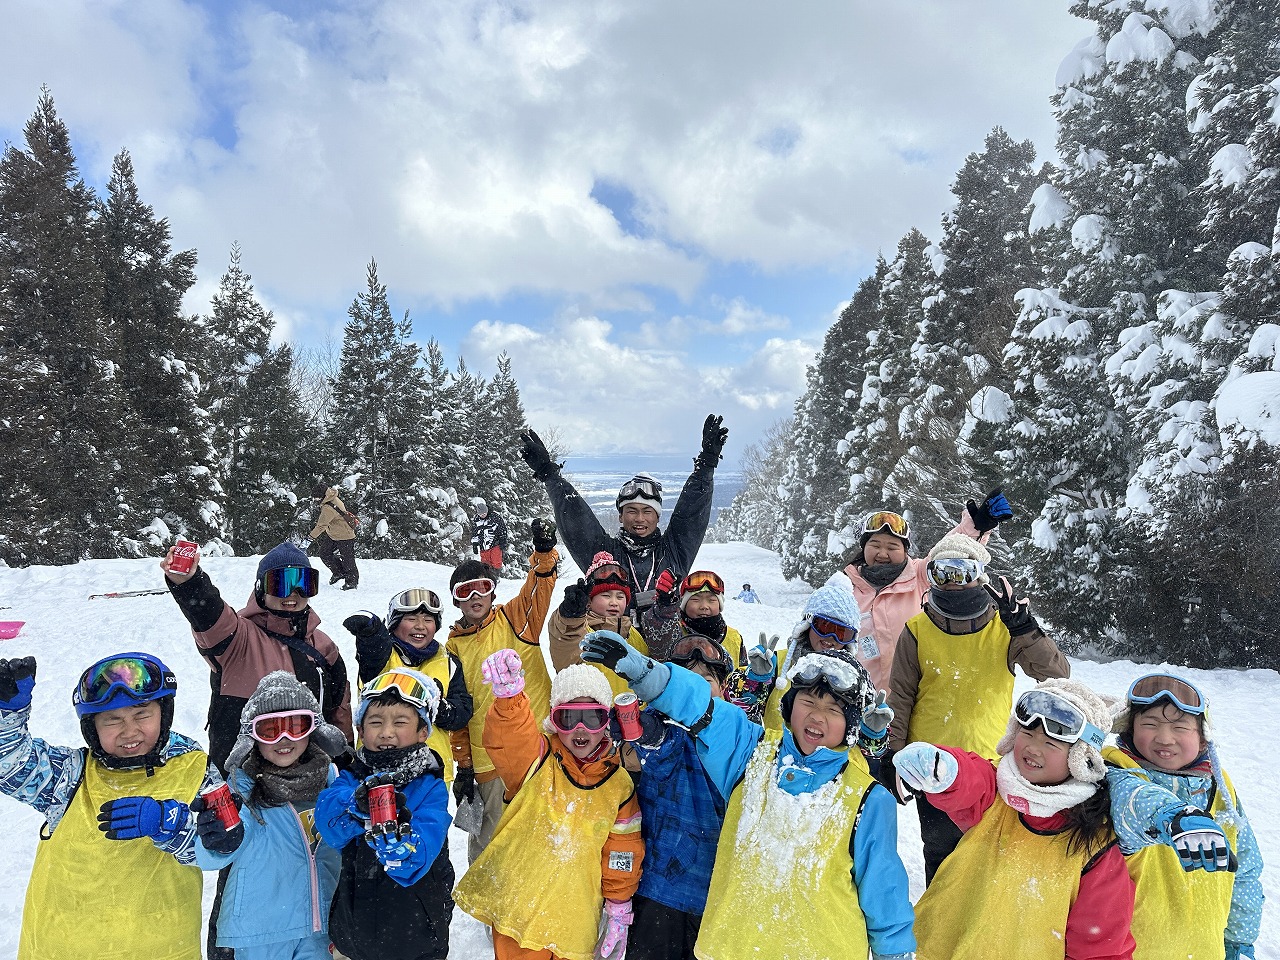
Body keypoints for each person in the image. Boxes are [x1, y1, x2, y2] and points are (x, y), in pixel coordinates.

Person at [581, 634, 915, 960]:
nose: (817, 716)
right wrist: (645, 673)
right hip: (732, 949)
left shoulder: (868, 800)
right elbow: (701, 707)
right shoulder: (750, 753)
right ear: (789, 705)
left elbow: (885, 895)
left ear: (852, 723)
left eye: (833, 710)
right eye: (808, 702)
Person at [895, 679, 1136, 959]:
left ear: (1080, 759)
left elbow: (1100, 946)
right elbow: (969, 778)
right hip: (940, 947)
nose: (1033, 748)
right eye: (1028, 733)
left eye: (1051, 743)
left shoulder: (1096, 847)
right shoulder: (997, 792)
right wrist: (946, 768)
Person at [0, 653, 219, 959]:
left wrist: (172, 827)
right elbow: (9, 764)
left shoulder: (196, 772)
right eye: (112, 720)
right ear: (92, 727)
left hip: (162, 950)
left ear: (163, 713)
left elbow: (221, 848)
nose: (129, 731)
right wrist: (6, 719)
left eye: (141, 714)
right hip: (60, 950)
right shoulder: (69, 776)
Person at [886, 533, 1069, 883]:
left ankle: (979, 913)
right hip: (932, 763)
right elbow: (901, 697)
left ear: (980, 575)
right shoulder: (916, 630)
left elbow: (1056, 674)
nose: (953, 582)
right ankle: (940, 915)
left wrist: (1025, 629)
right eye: (942, 572)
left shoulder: (1006, 628)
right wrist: (892, 754)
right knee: (940, 852)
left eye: (963, 571)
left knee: (987, 854)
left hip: (990, 765)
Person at [453, 654, 645, 960]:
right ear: (553, 721)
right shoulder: (535, 760)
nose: (580, 729)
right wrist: (509, 701)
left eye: (592, 718)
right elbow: (510, 739)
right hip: (520, 911)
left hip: (574, 916)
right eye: (568, 718)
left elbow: (622, 849)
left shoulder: (619, 785)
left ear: (607, 722)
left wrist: (619, 904)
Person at [1103, 673, 1263, 960]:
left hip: (1207, 951)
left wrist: (1239, 940)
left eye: (1180, 727)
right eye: (1150, 724)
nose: (1165, 738)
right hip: (1132, 952)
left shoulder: (1220, 789)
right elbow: (1133, 802)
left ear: (1202, 739)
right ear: (1129, 730)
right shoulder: (1116, 775)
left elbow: (1245, 870)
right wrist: (1171, 816)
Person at [193, 671, 348, 960]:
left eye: (296, 726)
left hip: (324, 928)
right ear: (251, 737)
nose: (284, 739)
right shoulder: (242, 788)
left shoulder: (331, 781)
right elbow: (210, 857)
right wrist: (220, 841)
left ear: (313, 729)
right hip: (259, 932)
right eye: (269, 730)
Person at [162, 540, 353, 772]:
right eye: (281, 584)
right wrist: (189, 583)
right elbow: (209, 614)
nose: (293, 594)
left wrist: (345, 759)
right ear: (261, 588)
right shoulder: (238, 639)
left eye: (304, 583)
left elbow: (339, 706)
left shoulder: (322, 645)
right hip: (243, 778)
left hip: (310, 777)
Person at [518, 414, 728, 616]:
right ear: (620, 516)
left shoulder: (673, 551)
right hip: (613, 640)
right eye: (631, 511)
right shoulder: (604, 555)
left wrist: (706, 466)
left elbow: (691, 514)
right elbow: (576, 517)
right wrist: (549, 475)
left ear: (657, 517)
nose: (639, 519)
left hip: (667, 639)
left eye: (647, 511)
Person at [316, 669, 454, 960]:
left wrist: (402, 850)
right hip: (353, 930)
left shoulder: (430, 786)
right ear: (360, 730)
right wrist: (356, 805)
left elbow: (422, 850)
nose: (386, 732)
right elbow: (328, 824)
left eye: (400, 722)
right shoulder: (351, 777)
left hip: (415, 935)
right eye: (375, 722)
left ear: (423, 732)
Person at [447, 519, 560, 862]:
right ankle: (488, 894)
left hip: (537, 745)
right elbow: (458, 714)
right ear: (457, 601)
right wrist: (464, 766)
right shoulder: (452, 649)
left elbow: (537, 590)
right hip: (488, 760)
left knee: (545, 833)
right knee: (492, 842)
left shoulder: (515, 620)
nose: (475, 597)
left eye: (481, 587)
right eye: (465, 591)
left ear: (492, 591)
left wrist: (543, 555)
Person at [619, 633, 737, 960]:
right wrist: (646, 736)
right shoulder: (659, 727)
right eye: (686, 680)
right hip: (659, 890)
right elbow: (657, 751)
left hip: (714, 895)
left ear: (723, 688)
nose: (694, 690)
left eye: (706, 681)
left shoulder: (735, 735)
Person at [839, 490, 1012, 695]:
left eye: (892, 547)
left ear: (905, 551)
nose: (882, 553)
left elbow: (949, 552)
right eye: (875, 545)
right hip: (860, 700)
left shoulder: (920, 575)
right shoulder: (845, 589)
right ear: (863, 547)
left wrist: (976, 527)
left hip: (915, 699)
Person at [342, 588, 474, 785]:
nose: (420, 626)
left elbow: (461, 711)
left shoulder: (448, 661)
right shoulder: (383, 654)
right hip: (376, 772)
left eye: (428, 620)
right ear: (395, 623)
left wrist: (437, 708)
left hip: (431, 774)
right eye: (411, 619)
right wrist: (371, 632)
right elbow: (372, 652)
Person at [548, 551, 650, 701]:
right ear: (589, 601)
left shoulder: (633, 634)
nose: (614, 602)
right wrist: (570, 615)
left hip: (633, 713)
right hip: (592, 714)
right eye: (606, 596)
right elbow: (566, 638)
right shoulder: (580, 631)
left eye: (620, 597)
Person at [308, 484, 360, 590]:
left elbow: (321, 526)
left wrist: (310, 538)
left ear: (322, 496)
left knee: (347, 559)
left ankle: (351, 582)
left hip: (345, 535)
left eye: (316, 498)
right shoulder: (331, 498)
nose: (315, 500)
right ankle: (338, 572)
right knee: (325, 553)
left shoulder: (328, 507)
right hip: (333, 534)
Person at [470, 498, 509, 570]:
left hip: (495, 544)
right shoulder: (476, 520)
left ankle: (496, 574)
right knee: (485, 565)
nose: (482, 515)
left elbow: (502, 529)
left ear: (487, 511)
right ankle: (487, 575)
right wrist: (475, 544)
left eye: (484, 514)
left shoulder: (495, 517)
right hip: (483, 546)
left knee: (496, 563)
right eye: (480, 514)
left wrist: (503, 540)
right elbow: (474, 533)